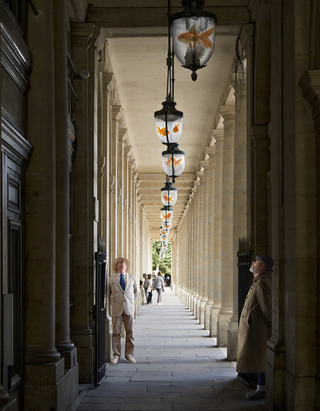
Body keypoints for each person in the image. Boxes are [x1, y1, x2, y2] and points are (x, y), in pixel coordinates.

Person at [236, 254, 274, 400]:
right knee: (257, 356)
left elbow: (266, 307)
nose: (253, 262)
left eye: (256, 261)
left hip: (256, 328)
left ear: (262, 266)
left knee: (260, 357)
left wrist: (270, 324)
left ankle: (262, 388)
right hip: (252, 326)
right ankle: (260, 387)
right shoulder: (258, 281)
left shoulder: (262, 282)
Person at [109, 257, 139, 364]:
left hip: (128, 308)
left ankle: (129, 354)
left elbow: (136, 292)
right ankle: (116, 355)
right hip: (117, 309)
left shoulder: (132, 279)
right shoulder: (111, 279)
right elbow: (108, 294)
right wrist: (113, 302)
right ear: (116, 267)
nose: (122, 264)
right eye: (120, 263)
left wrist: (131, 301)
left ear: (126, 267)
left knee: (130, 332)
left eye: (124, 263)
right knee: (116, 332)